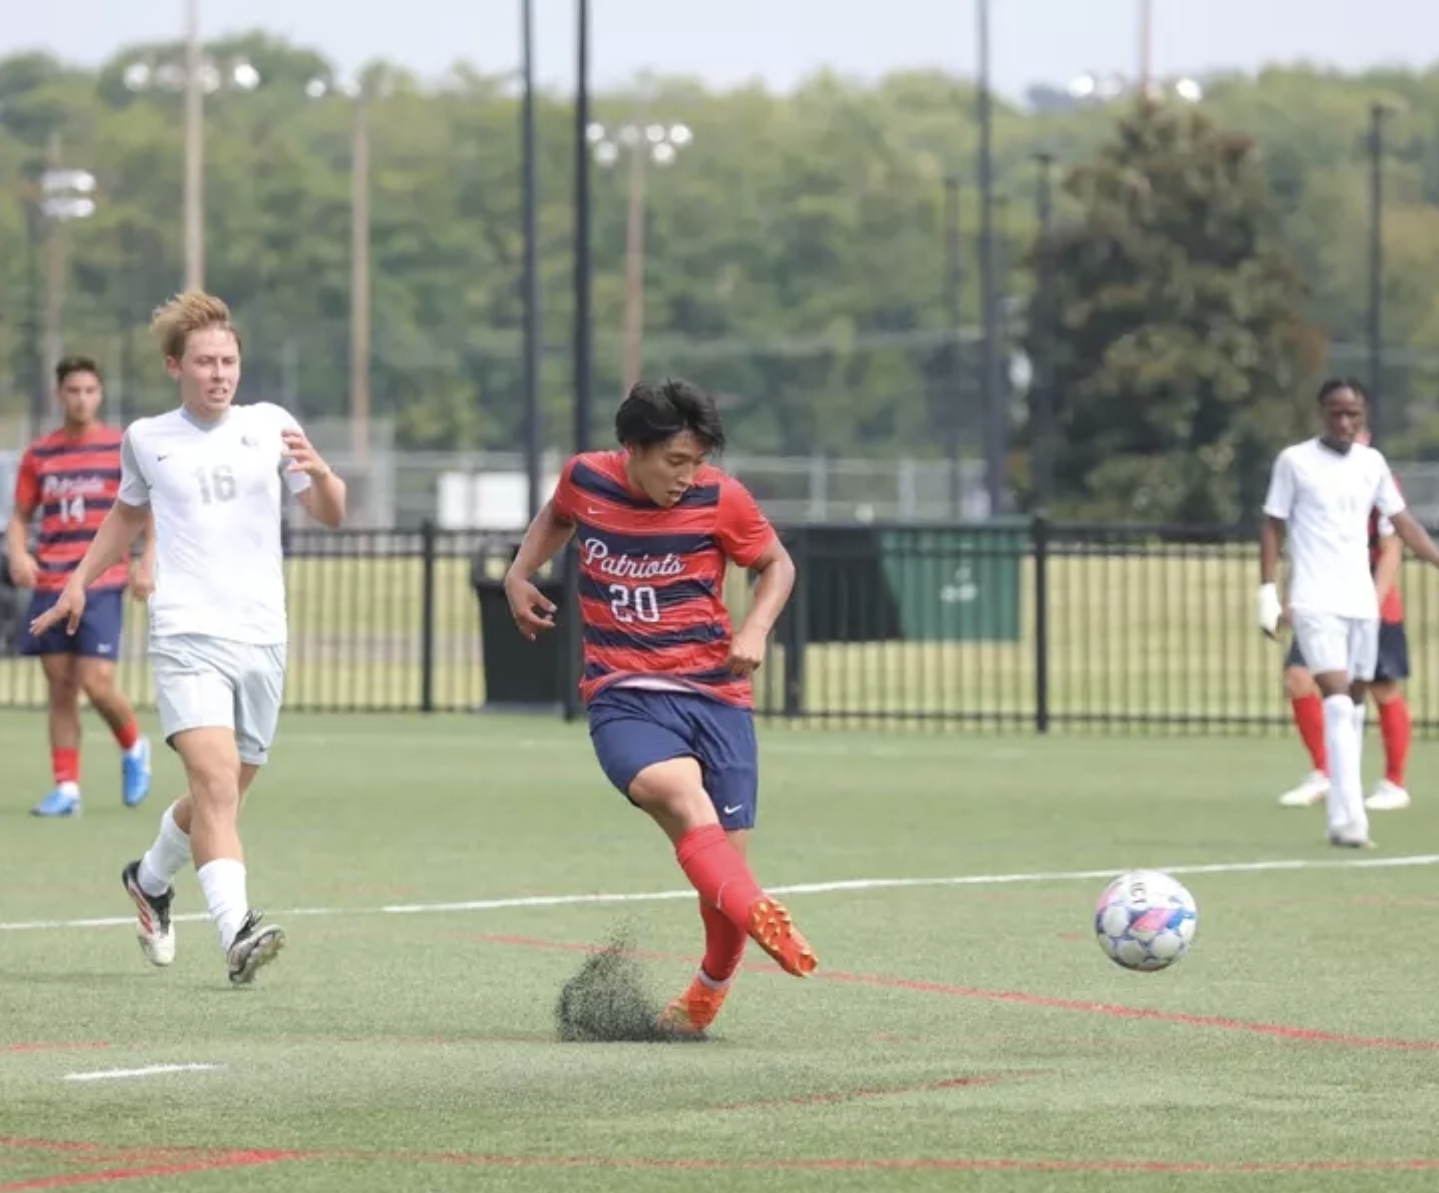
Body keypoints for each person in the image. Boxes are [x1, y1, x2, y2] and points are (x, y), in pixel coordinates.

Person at [30, 291, 347, 985]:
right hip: (185, 632)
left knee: (227, 790)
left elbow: (330, 513)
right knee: (213, 780)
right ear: (176, 366)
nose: (219, 372)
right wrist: (81, 577)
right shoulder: (147, 437)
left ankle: (149, 877)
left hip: (262, 634)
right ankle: (237, 930)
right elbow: (124, 514)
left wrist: (322, 473)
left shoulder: (270, 425)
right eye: (204, 361)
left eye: (228, 360)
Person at [504, 379, 816, 1038]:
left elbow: (775, 564)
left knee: (721, 884)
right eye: (674, 461)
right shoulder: (586, 477)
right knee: (668, 788)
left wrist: (756, 627)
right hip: (624, 691)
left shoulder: (719, 497)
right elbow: (557, 514)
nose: (686, 476)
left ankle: (707, 989)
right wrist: (519, 573)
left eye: (695, 461)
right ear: (632, 448)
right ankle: (758, 907)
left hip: (715, 695)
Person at [1259, 378, 1439, 849]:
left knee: (1356, 704)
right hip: (1315, 599)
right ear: (1322, 412)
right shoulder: (1294, 461)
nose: (1344, 421)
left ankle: (1344, 813)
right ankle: (1351, 818)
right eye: (1336, 413)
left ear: (1363, 417)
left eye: (1352, 414)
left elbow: (1402, 523)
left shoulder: (1372, 464)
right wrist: (1267, 594)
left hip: (1361, 601)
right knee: (1337, 699)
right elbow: (1273, 525)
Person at [7, 355, 154, 817]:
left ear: (101, 395)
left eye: (90, 390)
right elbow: (19, 517)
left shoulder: (118, 449)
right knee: (61, 687)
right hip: (51, 580)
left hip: (100, 581)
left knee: (96, 681)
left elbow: (148, 513)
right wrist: (18, 553)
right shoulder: (40, 455)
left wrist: (147, 561)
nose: (82, 399)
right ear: (59, 395)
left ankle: (134, 746)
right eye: (73, 391)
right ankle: (67, 788)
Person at [1276, 423, 1412, 812]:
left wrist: (1373, 601)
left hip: (1370, 602)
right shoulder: (1309, 480)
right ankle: (1325, 772)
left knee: (1381, 688)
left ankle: (1394, 782)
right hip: (1322, 599)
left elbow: (1391, 549)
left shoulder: (1377, 478)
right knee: (1299, 678)